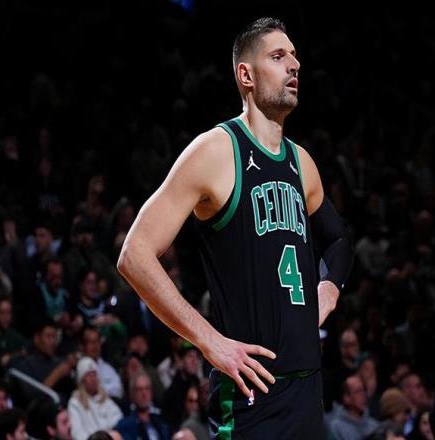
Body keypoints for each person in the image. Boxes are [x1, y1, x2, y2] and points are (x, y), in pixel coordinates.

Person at [117, 17, 353, 438]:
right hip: (249, 397)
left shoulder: (302, 162)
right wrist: (208, 341)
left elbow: (339, 239)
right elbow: (134, 254)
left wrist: (329, 287)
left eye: (294, 56)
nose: (294, 64)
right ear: (246, 75)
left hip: (307, 390)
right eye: (278, 56)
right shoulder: (216, 150)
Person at [67, 356, 122, 440]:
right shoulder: (75, 403)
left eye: (94, 375)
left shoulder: (104, 398)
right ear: (82, 380)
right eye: (89, 375)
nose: (93, 379)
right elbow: (77, 432)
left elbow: (117, 419)